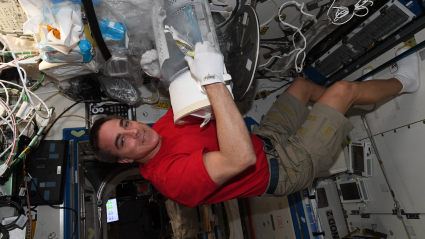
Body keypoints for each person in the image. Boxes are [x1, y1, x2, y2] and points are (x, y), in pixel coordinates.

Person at [89, 42, 420, 207]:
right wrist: (213, 80)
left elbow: (197, 103)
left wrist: (169, 71)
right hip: (286, 169)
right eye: (123, 141)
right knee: (342, 90)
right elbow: (239, 159)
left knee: (303, 87)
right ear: (125, 160)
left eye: (124, 124)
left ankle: (343, 107)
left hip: (266, 139)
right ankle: (405, 82)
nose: (135, 131)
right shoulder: (172, 180)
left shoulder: (158, 130)